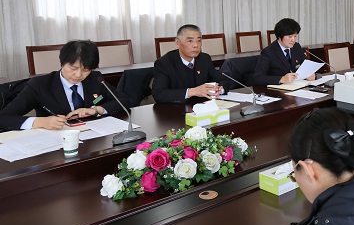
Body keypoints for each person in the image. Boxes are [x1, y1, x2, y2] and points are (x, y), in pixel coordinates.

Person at [0, 40, 131, 131]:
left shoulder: (94, 78)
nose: (78, 75)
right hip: (55, 145)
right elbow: (4, 118)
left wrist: (96, 110)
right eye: (73, 68)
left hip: (92, 139)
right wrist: (39, 122)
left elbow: (124, 100)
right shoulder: (40, 85)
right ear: (62, 62)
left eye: (86, 70)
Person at [151, 24, 229, 103]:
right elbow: (158, 94)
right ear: (177, 42)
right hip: (176, 110)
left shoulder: (204, 58)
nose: (196, 45)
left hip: (202, 107)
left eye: (199, 41)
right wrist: (192, 91)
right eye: (190, 41)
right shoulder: (164, 63)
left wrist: (219, 89)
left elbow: (223, 80)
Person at [253, 18, 315, 85]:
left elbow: (306, 67)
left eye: (295, 36)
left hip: (297, 87)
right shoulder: (268, 52)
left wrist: (310, 75)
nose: (293, 40)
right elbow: (257, 78)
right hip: (277, 92)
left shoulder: (296, 47)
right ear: (279, 36)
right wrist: (281, 79)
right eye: (290, 36)